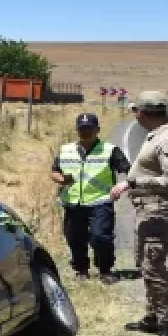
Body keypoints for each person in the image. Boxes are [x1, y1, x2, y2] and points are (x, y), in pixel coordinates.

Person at [110, 91, 168, 336]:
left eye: (136, 111)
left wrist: (132, 183)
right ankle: (153, 316)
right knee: (145, 264)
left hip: (159, 210)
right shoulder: (157, 135)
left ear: (143, 113)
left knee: (154, 266)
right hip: (147, 208)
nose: (135, 116)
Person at [51, 113, 131, 283]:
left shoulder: (110, 150)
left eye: (89, 129)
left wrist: (123, 186)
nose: (85, 132)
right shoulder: (66, 150)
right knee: (74, 237)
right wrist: (59, 178)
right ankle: (81, 269)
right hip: (73, 202)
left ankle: (105, 269)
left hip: (100, 201)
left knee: (100, 236)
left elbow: (128, 170)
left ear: (97, 130)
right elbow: (54, 171)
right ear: (77, 130)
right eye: (82, 129)